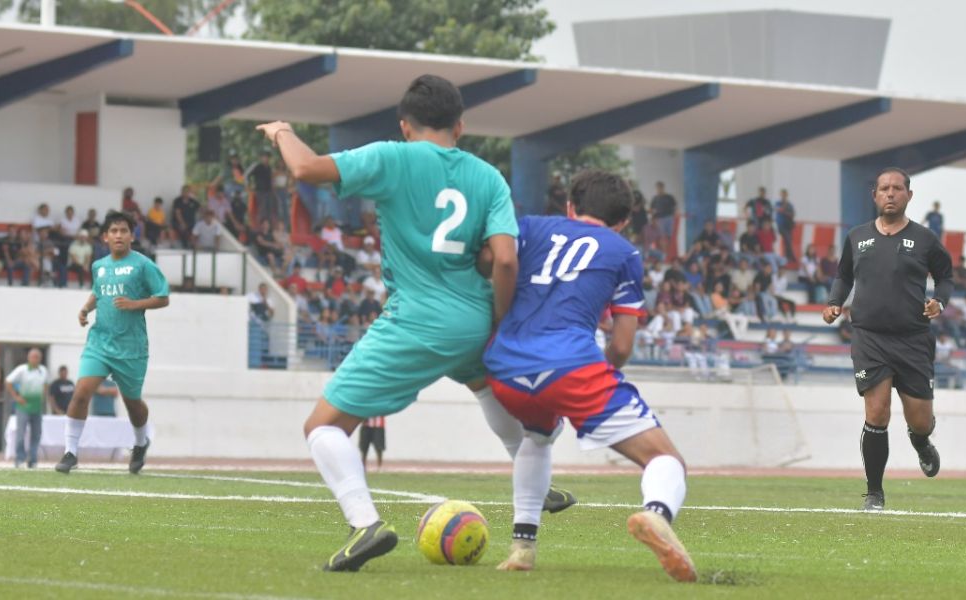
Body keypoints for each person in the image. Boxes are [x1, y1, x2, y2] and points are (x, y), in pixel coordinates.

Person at [257, 74, 574, 572]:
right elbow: (506, 261)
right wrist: (499, 320)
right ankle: (536, 481)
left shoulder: (393, 156)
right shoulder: (489, 177)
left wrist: (280, 131)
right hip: (476, 316)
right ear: (461, 126)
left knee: (323, 427)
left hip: (417, 320)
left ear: (406, 126)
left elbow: (304, 167)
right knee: (486, 389)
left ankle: (365, 525)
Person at [483, 170, 696, 582]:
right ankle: (656, 516)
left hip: (504, 369)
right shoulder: (623, 252)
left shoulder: (530, 227)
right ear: (622, 221)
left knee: (537, 436)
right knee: (665, 458)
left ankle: (522, 547)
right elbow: (621, 346)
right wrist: (590, 381)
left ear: (569, 207)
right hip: (570, 367)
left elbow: (496, 261)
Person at [823, 167, 953, 512]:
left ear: (909, 195)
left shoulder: (925, 239)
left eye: (898, 188)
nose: (891, 194)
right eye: (884, 188)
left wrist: (939, 300)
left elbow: (945, 275)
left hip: (913, 339)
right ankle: (874, 493)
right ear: (875, 195)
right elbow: (843, 274)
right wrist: (836, 301)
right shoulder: (857, 237)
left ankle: (921, 441)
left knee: (920, 420)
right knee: (877, 414)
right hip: (869, 337)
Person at [55, 211, 170, 475]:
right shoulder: (99, 266)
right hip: (100, 341)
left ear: (132, 235)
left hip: (131, 347)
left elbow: (163, 297)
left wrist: (135, 304)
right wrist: (85, 309)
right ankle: (70, 452)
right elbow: (99, 291)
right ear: (105, 237)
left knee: (133, 404)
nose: (119, 235)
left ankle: (140, 443)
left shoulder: (143, 265)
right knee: (81, 391)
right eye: (114, 231)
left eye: (124, 230)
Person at [5, 348, 49, 468]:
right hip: (23, 406)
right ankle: (20, 458)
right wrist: (16, 397)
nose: (35, 359)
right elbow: (8, 381)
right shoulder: (22, 369)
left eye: (37, 357)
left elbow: (46, 384)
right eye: (33, 357)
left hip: (37, 407)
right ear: (29, 358)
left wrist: (42, 397)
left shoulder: (43, 370)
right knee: (20, 433)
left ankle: (33, 459)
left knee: (36, 434)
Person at [774, 188, 796, 261]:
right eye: (782, 194)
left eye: (785, 194)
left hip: (788, 225)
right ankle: (790, 256)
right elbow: (779, 210)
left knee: (788, 240)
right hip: (781, 225)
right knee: (787, 240)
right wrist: (785, 210)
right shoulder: (778, 203)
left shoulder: (790, 204)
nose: (783, 196)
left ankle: (788, 256)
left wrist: (785, 212)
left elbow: (792, 214)